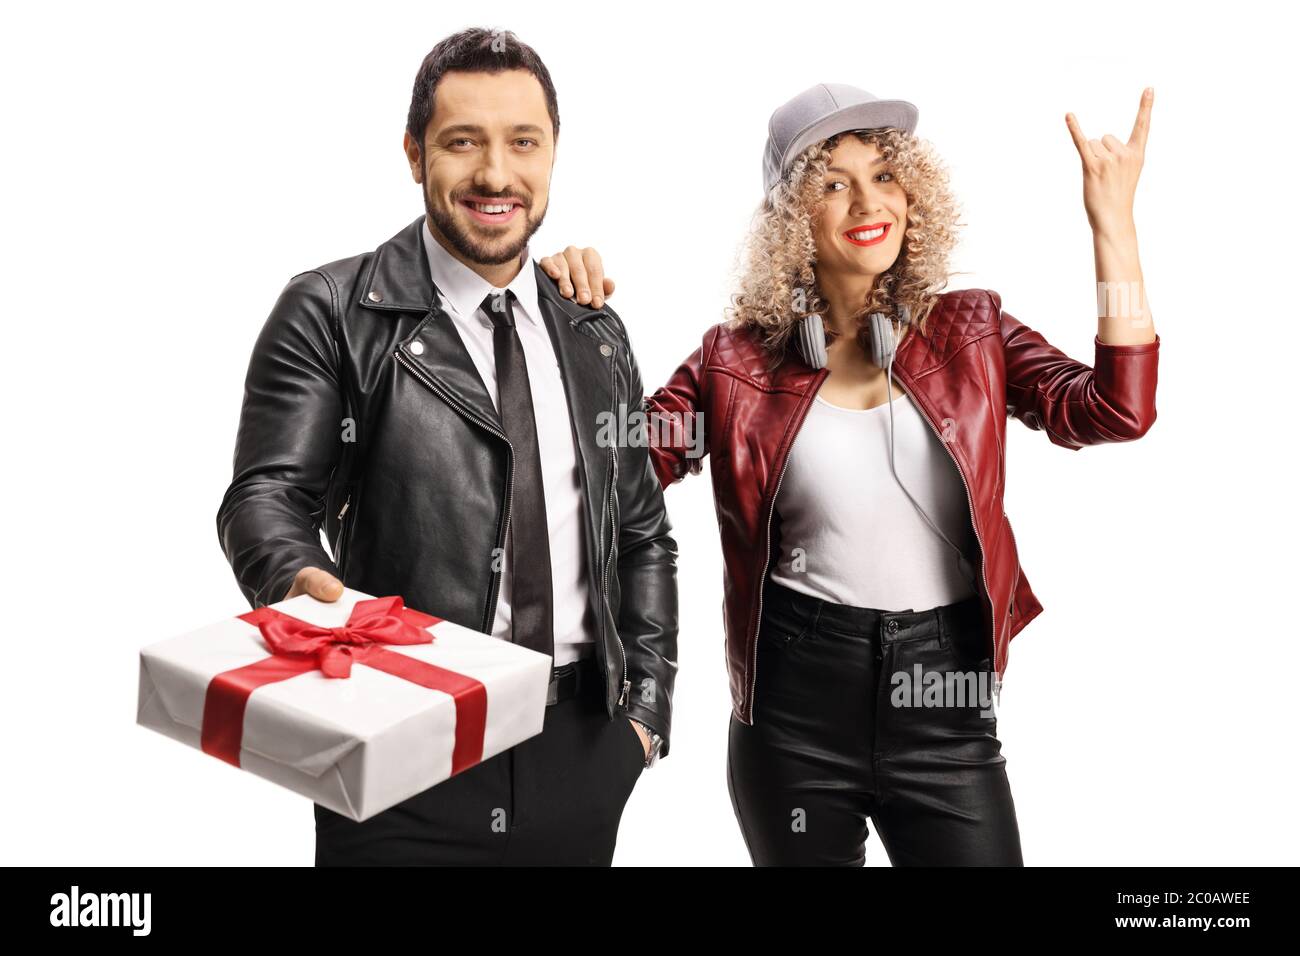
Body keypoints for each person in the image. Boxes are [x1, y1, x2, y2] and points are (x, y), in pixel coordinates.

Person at [541, 83, 1160, 865]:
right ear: (794, 217)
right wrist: (564, 322)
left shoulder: (973, 330)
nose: (869, 201)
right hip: (792, 715)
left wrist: (1114, 227)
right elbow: (609, 469)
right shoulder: (731, 363)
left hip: (946, 702)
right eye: (833, 183)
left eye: (884, 174)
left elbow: (1114, 411)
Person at [215, 27, 677, 866]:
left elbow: (641, 532)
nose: (496, 174)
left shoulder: (595, 330)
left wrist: (641, 719)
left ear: (554, 153)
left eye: (522, 142)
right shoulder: (329, 308)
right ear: (413, 152)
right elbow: (266, 498)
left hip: (579, 745)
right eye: (463, 142)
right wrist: (300, 585)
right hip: (401, 742)